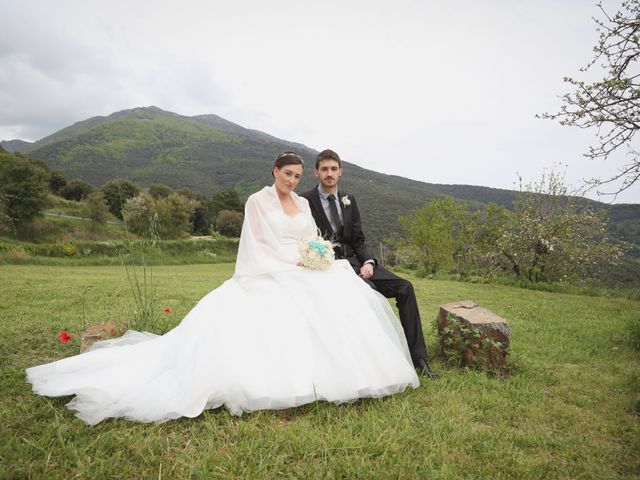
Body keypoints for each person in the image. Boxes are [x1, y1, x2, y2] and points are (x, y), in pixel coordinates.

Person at [26, 152, 419, 426]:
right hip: (272, 268)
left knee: (342, 287)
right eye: (288, 174)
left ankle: (353, 372)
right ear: (274, 172)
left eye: (298, 176)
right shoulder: (256, 201)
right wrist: (292, 262)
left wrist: (316, 255)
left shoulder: (301, 203)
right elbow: (257, 246)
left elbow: (314, 237)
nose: (293, 181)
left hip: (307, 265)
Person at [301, 149, 438, 379]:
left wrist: (369, 261)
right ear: (316, 172)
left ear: (340, 172)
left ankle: (419, 359)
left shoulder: (349, 200)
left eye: (333, 169)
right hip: (330, 267)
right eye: (324, 169)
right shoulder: (305, 201)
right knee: (371, 294)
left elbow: (358, 239)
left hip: (356, 263)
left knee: (405, 288)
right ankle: (381, 364)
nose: (329, 173)